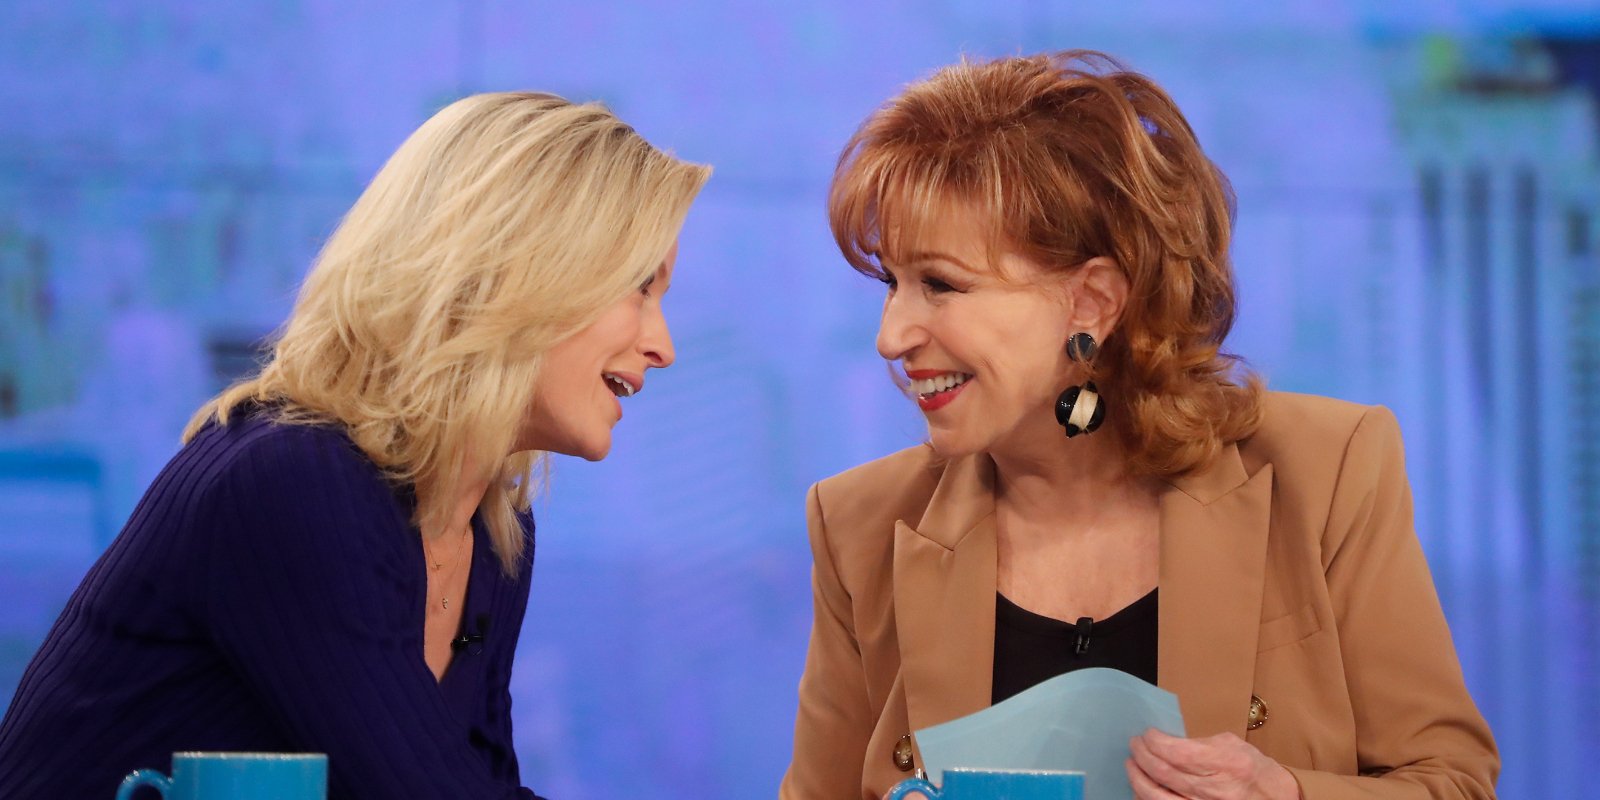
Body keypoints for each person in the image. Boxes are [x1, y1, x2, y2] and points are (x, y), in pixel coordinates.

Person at [780, 51, 1497, 800]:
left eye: (940, 285)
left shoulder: (1329, 473)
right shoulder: (858, 525)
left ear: (1093, 302)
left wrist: (1284, 795)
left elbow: (1453, 783)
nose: (892, 336)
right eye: (891, 283)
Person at [0, 92, 709, 799]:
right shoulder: (294, 479)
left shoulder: (493, 531)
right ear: (518, 274)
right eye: (639, 290)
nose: (662, 345)